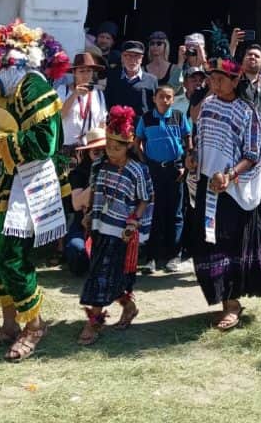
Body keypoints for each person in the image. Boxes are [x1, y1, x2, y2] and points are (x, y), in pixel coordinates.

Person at [0, 20, 71, 362]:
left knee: (11, 254)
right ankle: (9, 325)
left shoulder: (33, 88)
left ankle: (34, 326)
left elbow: (43, 143)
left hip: (31, 183)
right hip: (9, 179)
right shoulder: (10, 92)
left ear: (4, 64)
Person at [188, 57, 261, 331]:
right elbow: (199, 138)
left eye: (220, 79)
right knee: (209, 243)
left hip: (232, 191)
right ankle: (222, 300)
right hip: (208, 185)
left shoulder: (248, 112)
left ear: (234, 81)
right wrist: (193, 158)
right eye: (212, 79)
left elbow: (253, 154)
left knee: (229, 245)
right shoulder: (207, 105)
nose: (215, 84)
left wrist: (230, 175)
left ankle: (232, 304)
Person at [78, 107, 153, 345]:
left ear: (129, 146)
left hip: (121, 232)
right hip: (100, 226)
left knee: (102, 274)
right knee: (108, 273)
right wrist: (89, 213)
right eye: (109, 144)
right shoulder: (98, 165)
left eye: (117, 146)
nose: (111, 150)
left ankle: (94, 322)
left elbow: (145, 198)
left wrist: (134, 220)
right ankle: (128, 307)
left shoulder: (137, 170)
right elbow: (95, 192)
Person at [135, 80, 193, 272]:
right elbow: (138, 142)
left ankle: (174, 256)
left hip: (175, 170)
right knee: (154, 213)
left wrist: (185, 163)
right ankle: (152, 257)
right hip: (154, 171)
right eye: (161, 97)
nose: (165, 100)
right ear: (154, 99)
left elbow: (187, 139)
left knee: (175, 213)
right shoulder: (146, 118)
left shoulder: (178, 116)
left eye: (169, 97)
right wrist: (145, 163)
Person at [64, 127, 107, 277]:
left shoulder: (118, 169)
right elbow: (76, 204)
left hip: (109, 223)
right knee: (76, 250)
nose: (101, 155)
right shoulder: (78, 174)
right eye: (96, 152)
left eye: (104, 150)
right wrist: (96, 181)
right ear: (88, 154)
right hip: (82, 224)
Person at [57, 52, 106, 151]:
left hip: (91, 146)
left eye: (89, 71)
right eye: (82, 71)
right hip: (67, 146)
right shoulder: (63, 90)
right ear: (74, 73)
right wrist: (75, 94)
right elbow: (59, 116)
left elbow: (102, 123)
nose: (86, 75)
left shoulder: (99, 94)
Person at [104, 40, 157, 116]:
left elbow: (155, 106)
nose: (132, 60)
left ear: (141, 58)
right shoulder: (113, 77)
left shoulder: (151, 80)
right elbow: (107, 102)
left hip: (142, 125)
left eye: (136, 56)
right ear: (122, 57)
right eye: (128, 55)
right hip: (118, 124)